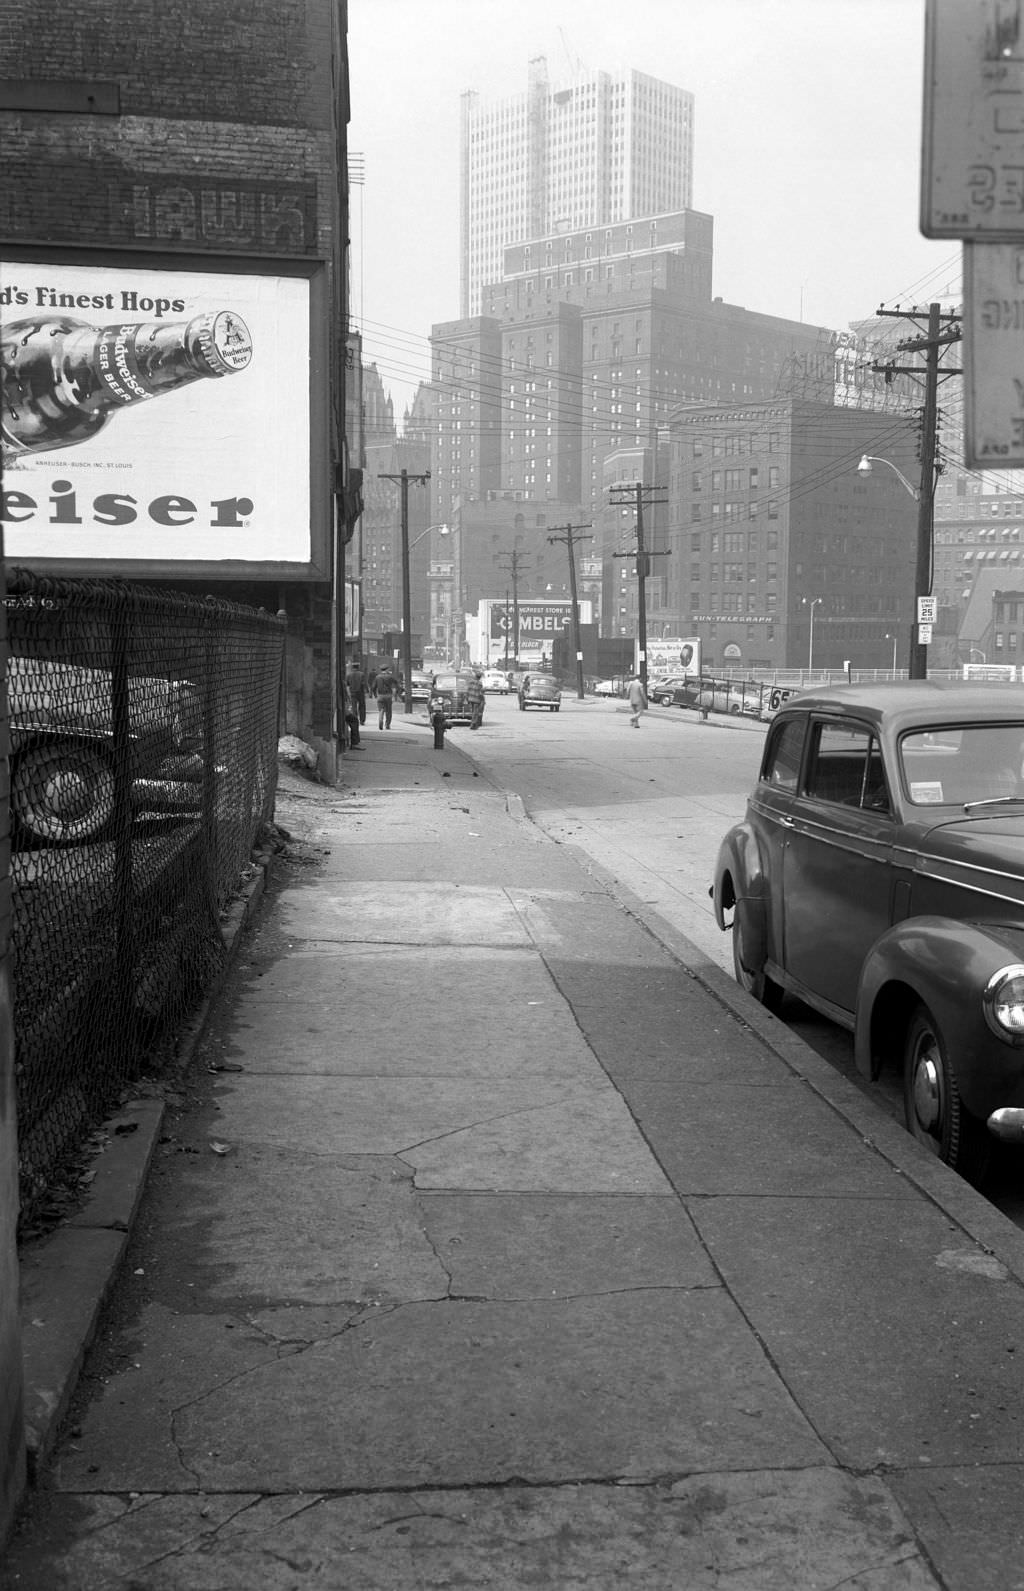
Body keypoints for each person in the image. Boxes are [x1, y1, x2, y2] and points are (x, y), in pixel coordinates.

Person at [374, 665, 396, 729]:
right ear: (386, 670)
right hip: (388, 696)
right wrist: (394, 696)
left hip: (380, 696)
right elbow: (395, 686)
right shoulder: (390, 677)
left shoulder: (377, 677)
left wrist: (375, 695)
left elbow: (374, 687)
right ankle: (387, 725)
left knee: (381, 709)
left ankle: (380, 719)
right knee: (389, 711)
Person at [346, 659, 367, 724]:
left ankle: (355, 720)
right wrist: (366, 691)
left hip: (353, 693)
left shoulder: (349, 675)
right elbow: (363, 684)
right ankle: (362, 720)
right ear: (358, 667)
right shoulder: (362, 674)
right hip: (360, 692)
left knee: (354, 707)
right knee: (362, 706)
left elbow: (347, 684)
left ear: (353, 667)